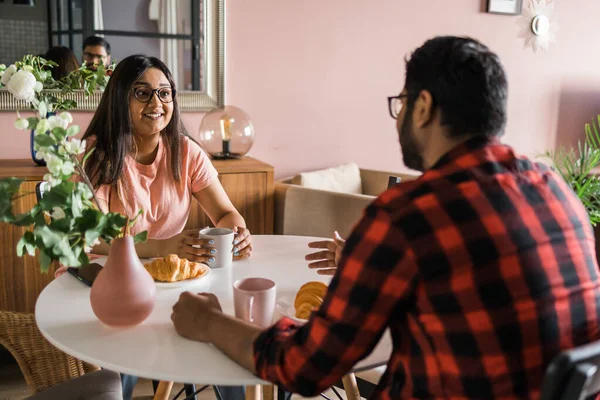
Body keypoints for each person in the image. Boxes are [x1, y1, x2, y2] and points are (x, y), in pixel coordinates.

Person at [170, 36, 600, 399]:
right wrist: (374, 268)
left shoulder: (408, 215)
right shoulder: (555, 189)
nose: (399, 120)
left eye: (403, 104)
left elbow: (304, 366)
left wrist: (209, 322)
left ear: (424, 106)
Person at [81, 54, 251, 400]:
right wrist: (162, 247)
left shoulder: (185, 152)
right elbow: (93, 239)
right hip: (110, 283)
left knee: (229, 336)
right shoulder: (95, 156)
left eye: (164, 93)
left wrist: (237, 233)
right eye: (142, 93)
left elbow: (225, 214)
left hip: (171, 282)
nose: (156, 103)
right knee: (123, 363)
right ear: (119, 98)